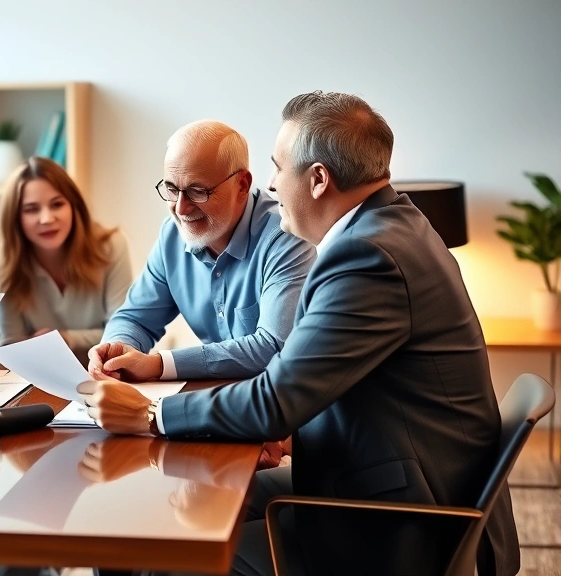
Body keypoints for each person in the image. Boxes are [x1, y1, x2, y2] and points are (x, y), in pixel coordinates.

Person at [79, 92, 519, 576]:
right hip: (386, 476)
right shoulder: (393, 226)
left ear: (317, 180)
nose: (270, 183)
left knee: (176, 548)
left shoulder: (366, 258)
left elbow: (276, 396)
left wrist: (150, 414)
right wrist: (289, 431)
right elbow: (319, 383)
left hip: (397, 519)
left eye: (277, 166)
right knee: (172, 510)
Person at [88, 120, 314, 383]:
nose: (181, 209)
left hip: (280, 409)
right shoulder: (172, 234)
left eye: (198, 191)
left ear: (242, 185)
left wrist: (159, 365)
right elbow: (136, 318)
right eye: (172, 189)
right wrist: (114, 352)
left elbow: (273, 347)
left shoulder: (286, 236)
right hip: (213, 400)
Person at [0, 157, 133, 361]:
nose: (47, 219)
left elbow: (126, 332)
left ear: (74, 207)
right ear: (15, 218)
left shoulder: (111, 246)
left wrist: (66, 339)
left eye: (57, 204)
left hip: (109, 374)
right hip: (38, 378)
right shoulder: (2, 261)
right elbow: (11, 347)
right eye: (31, 209)